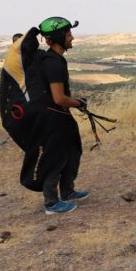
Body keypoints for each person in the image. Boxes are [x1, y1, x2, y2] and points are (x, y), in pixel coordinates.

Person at [20, 17, 88, 215]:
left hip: (58, 117)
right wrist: (79, 103)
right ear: (58, 38)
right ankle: (51, 203)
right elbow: (59, 98)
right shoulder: (53, 63)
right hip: (52, 119)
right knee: (55, 157)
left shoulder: (55, 60)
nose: (72, 38)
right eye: (68, 34)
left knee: (72, 150)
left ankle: (68, 191)